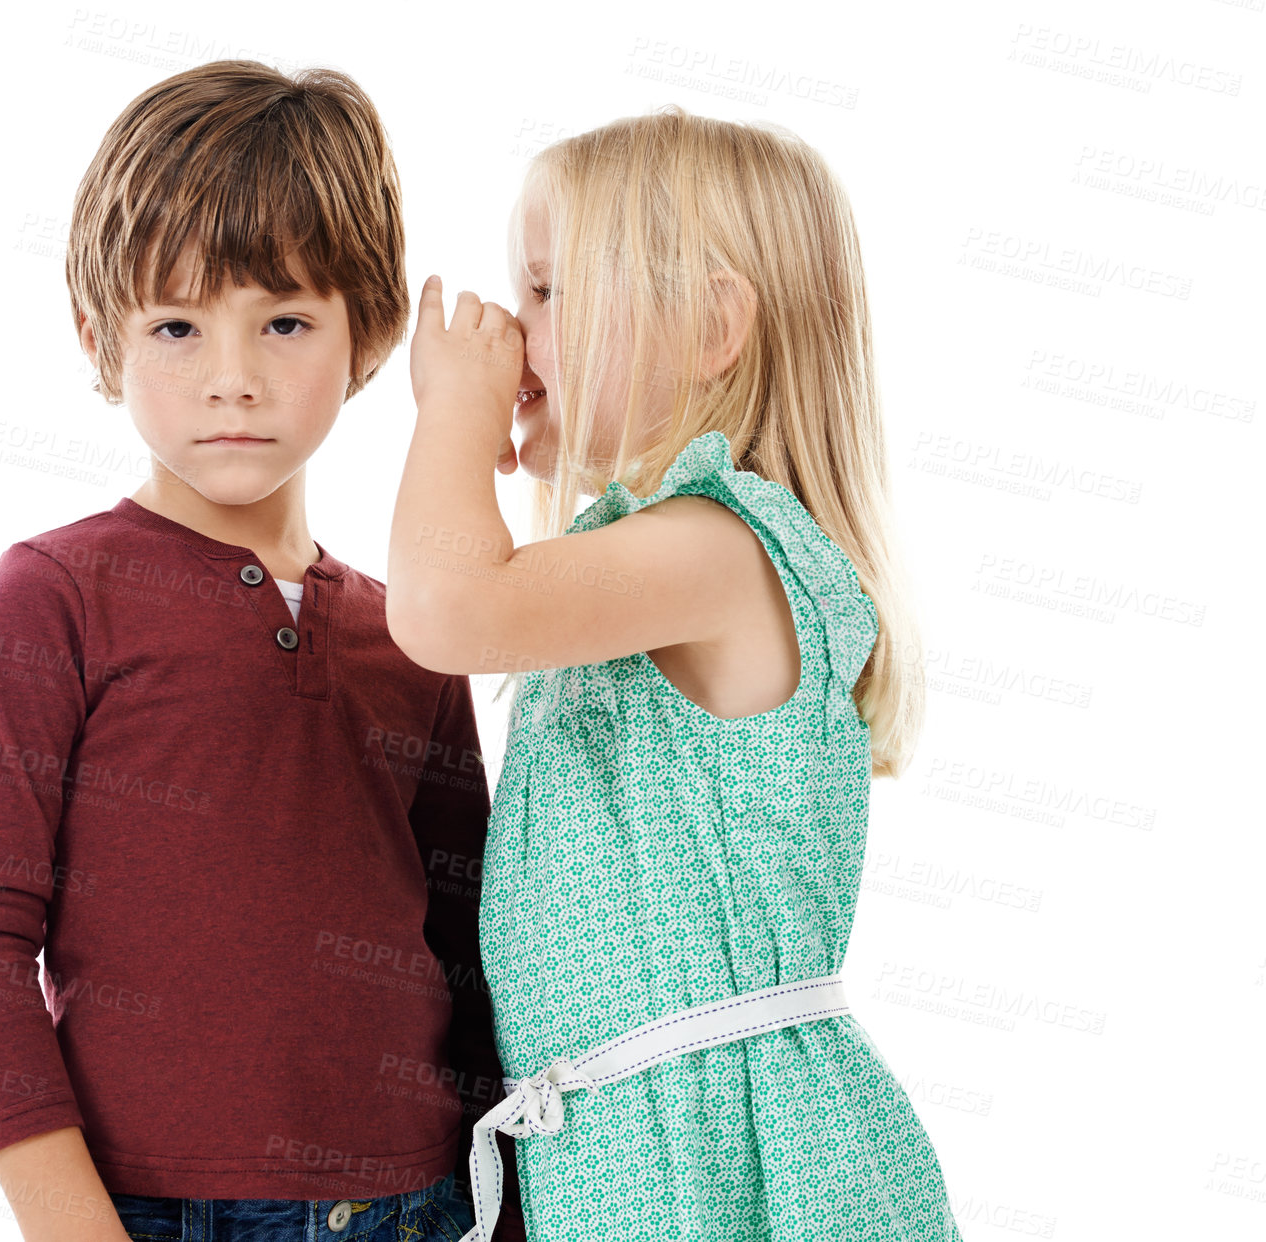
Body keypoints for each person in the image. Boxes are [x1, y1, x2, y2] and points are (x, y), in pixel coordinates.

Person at [0, 59, 524, 1242]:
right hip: (154, 1214)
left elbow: (474, 950)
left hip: (418, 1208)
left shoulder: (420, 634)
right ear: (102, 337)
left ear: (370, 334)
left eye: (285, 321)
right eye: (178, 326)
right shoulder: (51, 600)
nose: (232, 379)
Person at [388, 107, 963, 1240]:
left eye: (549, 292)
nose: (514, 325)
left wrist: (455, 412)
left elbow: (448, 605)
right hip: (637, 1147)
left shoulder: (716, 546)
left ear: (710, 327)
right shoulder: (652, 557)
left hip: (727, 1157)